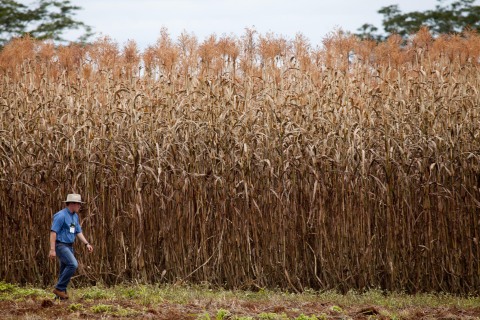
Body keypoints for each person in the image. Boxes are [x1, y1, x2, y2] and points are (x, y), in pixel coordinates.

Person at [49, 193, 93, 300]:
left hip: (69, 246)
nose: (79, 206)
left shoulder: (74, 216)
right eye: (78, 204)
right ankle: (59, 288)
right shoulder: (61, 216)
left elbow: (77, 232)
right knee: (73, 264)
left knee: (64, 269)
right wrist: (52, 249)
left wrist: (86, 243)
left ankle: (60, 297)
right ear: (72, 204)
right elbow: (53, 232)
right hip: (61, 245)